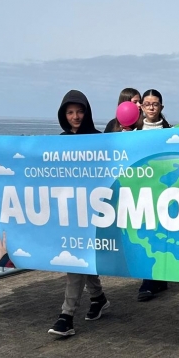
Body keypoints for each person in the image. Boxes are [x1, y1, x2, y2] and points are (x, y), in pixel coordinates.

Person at [48, 90, 110, 337]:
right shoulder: (59, 141)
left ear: (87, 112)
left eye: (80, 111)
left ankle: (66, 316)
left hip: (93, 210)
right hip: (69, 211)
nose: (75, 116)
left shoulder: (99, 139)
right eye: (70, 112)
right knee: (81, 256)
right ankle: (99, 297)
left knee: (75, 258)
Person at [137, 89, 171, 301]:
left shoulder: (169, 131)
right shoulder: (133, 130)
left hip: (163, 190)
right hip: (140, 190)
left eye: (155, 104)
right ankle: (148, 280)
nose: (151, 107)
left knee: (161, 235)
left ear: (161, 107)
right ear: (140, 106)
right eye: (147, 103)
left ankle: (159, 279)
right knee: (144, 235)